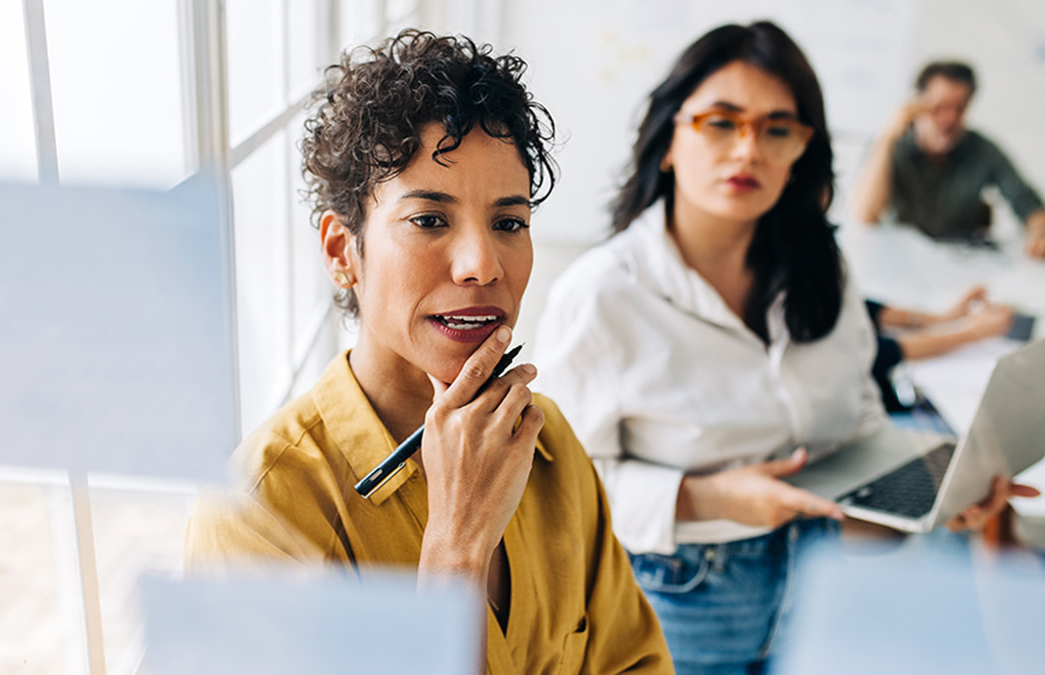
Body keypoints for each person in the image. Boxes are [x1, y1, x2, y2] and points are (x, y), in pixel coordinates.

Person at [532, 22, 1035, 674]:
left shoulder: (822, 269)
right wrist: (708, 496)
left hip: (822, 579)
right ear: (668, 141)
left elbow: (855, 428)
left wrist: (937, 500)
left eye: (776, 129)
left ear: (802, 148)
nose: (748, 150)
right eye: (721, 122)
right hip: (675, 599)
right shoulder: (601, 295)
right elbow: (553, 491)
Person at [183, 30, 673, 674]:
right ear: (341, 252)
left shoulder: (547, 444)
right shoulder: (259, 513)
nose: (482, 264)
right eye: (429, 220)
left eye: (509, 222)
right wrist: (456, 549)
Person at [851, 60, 1045, 257]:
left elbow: (1027, 202)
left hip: (960, 261)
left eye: (959, 108)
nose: (949, 119)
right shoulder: (891, 145)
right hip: (901, 261)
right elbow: (866, 215)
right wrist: (888, 136)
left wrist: (1039, 232)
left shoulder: (981, 149)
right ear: (918, 104)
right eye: (939, 106)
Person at [866, 286, 1015, 413]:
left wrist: (943, 318)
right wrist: (974, 333)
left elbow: (862, 308)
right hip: (883, 402)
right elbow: (880, 352)